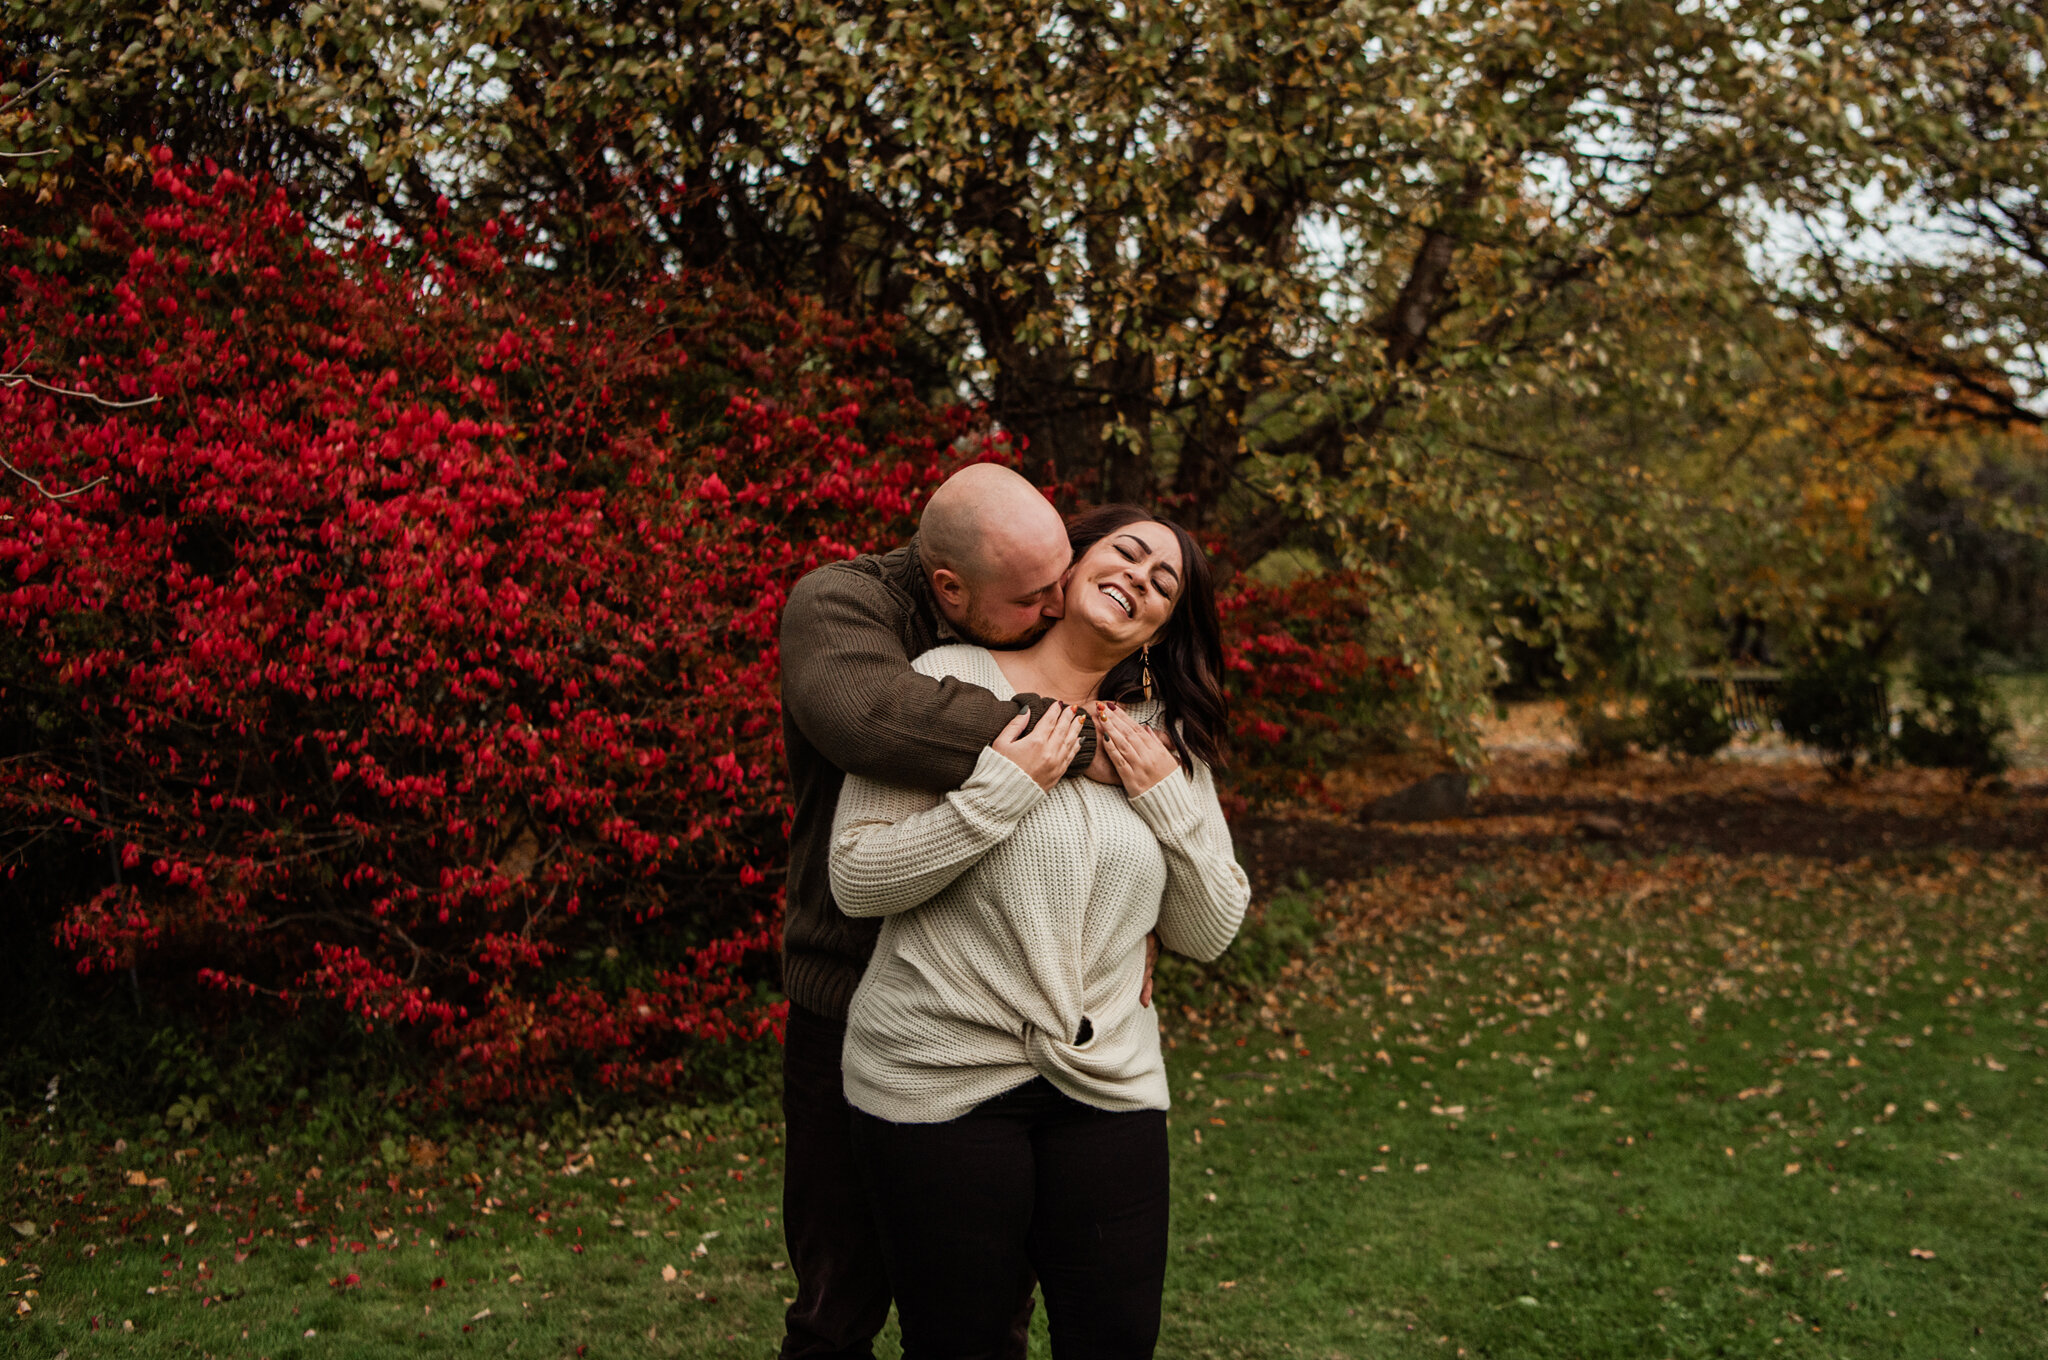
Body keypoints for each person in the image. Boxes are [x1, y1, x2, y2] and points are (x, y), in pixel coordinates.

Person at [829, 504, 1251, 1359]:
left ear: (1161, 626)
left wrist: (1166, 797)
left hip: (1109, 1085)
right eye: (1127, 553)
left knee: (1116, 1340)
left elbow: (1209, 931)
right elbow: (858, 877)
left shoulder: (1167, 738)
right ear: (1072, 565)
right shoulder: (948, 676)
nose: (1140, 577)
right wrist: (1003, 792)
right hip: (938, 1078)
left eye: (1163, 581)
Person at [777, 463, 1103, 1360]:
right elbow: (873, 714)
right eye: (1034, 596)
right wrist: (1077, 739)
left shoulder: (1041, 602)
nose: (1057, 608)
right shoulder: (843, 606)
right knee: (838, 1304)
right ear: (949, 587)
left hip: (997, 1018)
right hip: (846, 997)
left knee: (983, 1310)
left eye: (1064, 579)